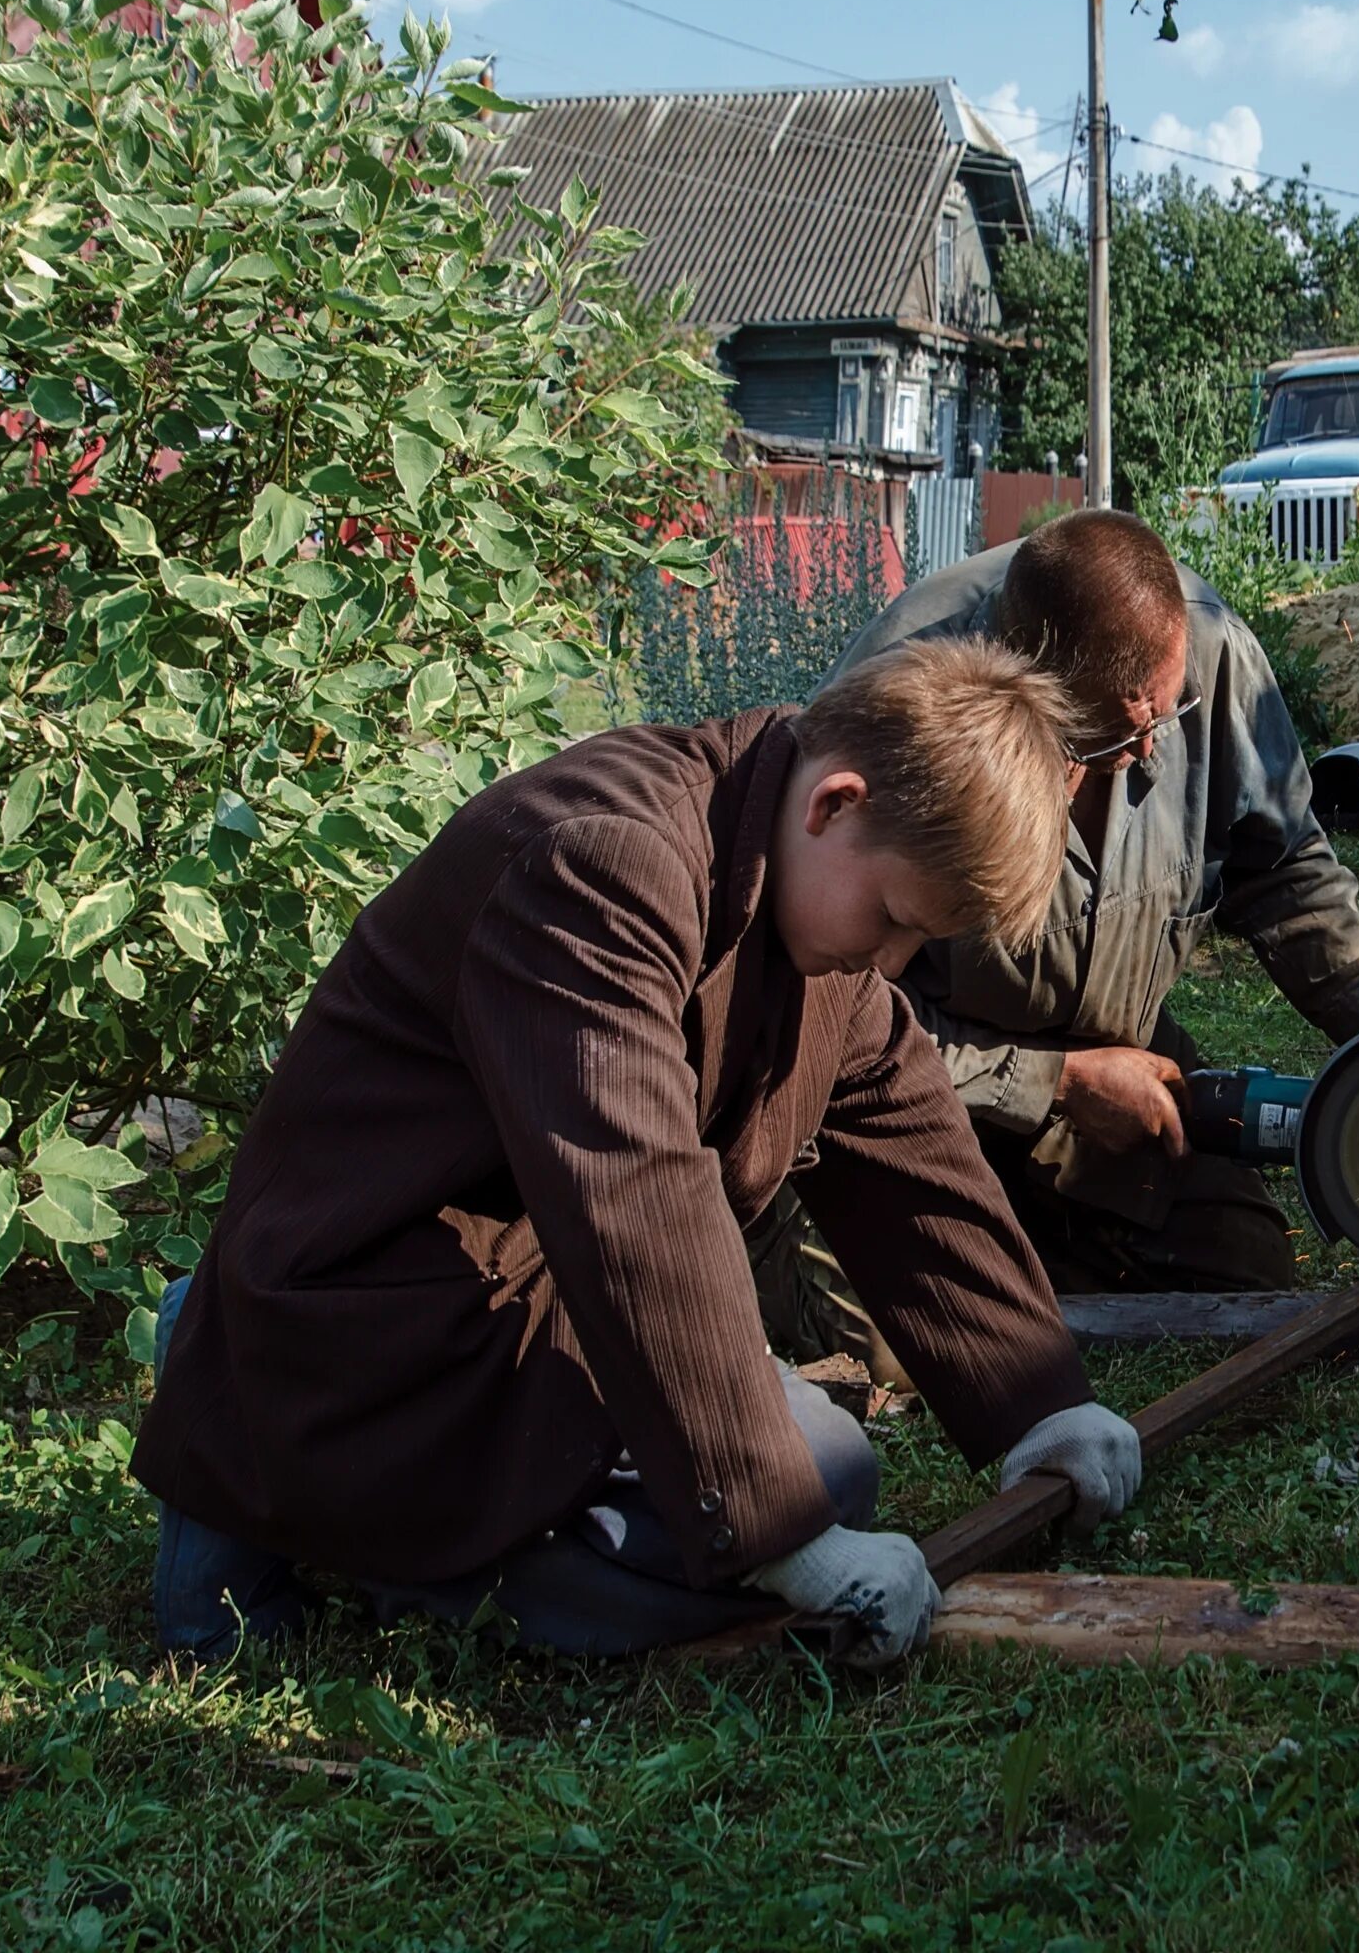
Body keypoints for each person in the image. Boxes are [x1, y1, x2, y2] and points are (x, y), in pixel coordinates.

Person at [131, 640, 1143, 1666]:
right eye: (890, 919)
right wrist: (778, 1533)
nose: (887, 964)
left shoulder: (793, 866)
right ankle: (255, 1406)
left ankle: (362, 1475)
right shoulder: (599, 867)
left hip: (530, 1289)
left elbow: (903, 1129)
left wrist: (1038, 1398)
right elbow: (636, 1198)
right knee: (710, 1554)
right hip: (370, 1298)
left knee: (826, 1466)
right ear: (834, 802)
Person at [815, 509, 1359, 1298]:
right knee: (899, 1331)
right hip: (925, 1079)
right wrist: (1053, 1081)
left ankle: (1027, 1248)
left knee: (1242, 1267)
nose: (1146, 755)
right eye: (1105, 742)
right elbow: (832, 1011)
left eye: (1163, 718)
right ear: (1020, 688)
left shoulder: (1206, 649)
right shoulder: (907, 698)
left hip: (1118, 1054)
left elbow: (1286, 867)